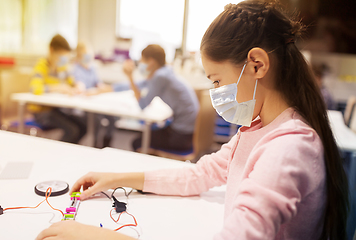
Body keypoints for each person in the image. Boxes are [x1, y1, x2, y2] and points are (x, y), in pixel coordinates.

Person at [36, 1, 349, 240]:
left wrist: (100, 235)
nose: (216, 92)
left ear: (256, 64)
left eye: (217, 80)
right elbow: (202, 174)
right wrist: (117, 178)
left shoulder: (289, 148)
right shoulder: (256, 129)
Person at [122, 44, 199, 152]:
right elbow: (144, 84)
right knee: (147, 133)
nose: (140, 64)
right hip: (188, 132)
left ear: (151, 62)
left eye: (142, 61)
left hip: (181, 136)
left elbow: (142, 104)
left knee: (138, 142)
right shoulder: (166, 72)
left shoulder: (160, 77)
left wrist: (130, 76)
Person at [29, 34, 86, 144]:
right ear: (51, 51)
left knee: (83, 126)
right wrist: (57, 88)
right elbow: (35, 89)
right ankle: (58, 155)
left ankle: (70, 153)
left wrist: (78, 85)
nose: (63, 59)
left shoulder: (62, 68)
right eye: (60, 55)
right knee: (72, 130)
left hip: (56, 110)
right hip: (42, 112)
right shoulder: (42, 66)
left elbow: (73, 82)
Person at [72, 42, 115, 148]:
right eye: (85, 54)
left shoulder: (92, 68)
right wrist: (82, 89)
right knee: (97, 121)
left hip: (96, 103)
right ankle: (95, 146)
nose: (88, 57)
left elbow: (98, 84)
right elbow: (80, 86)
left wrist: (104, 88)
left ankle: (106, 145)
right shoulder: (76, 70)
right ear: (79, 56)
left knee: (112, 117)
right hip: (84, 107)